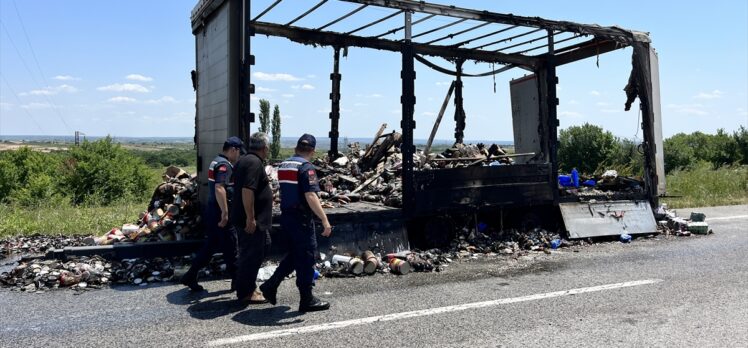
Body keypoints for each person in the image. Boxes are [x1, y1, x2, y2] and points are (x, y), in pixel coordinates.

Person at [259, 134, 332, 312]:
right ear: (312, 151)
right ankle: (307, 299)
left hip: (287, 216)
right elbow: (310, 195)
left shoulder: (284, 165)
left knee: (295, 254)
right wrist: (324, 219)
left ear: (296, 148)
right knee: (307, 256)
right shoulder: (306, 167)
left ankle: (271, 285)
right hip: (301, 219)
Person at [180, 136, 243, 292]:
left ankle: (190, 275)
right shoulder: (224, 165)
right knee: (232, 247)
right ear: (233, 150)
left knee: (210, 246)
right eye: (239, 152)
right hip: (219, 211)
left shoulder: (216, 160)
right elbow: (220, 188)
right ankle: (239, 283)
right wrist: (225, 213)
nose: (239, 156)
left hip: (212, 210)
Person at [231, 132, 273, 304]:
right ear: (265, 148)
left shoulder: (244, 159)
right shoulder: (254, 163)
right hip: (250, 221)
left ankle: (243, 282)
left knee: (264, 247)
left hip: (251, 220)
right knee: (251, 255)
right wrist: (251, 218)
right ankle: (246, 292)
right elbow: (247, 190)